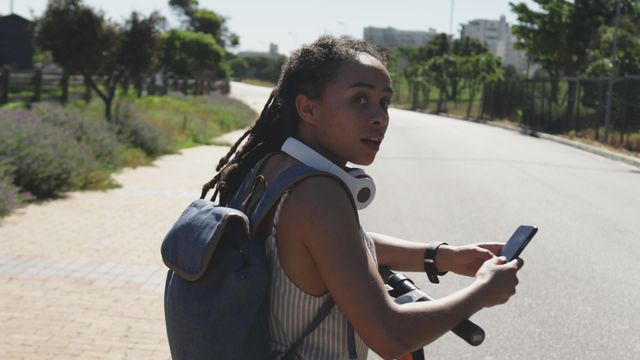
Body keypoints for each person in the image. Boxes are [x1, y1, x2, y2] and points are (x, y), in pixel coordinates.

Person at [201, 36, 522, 359]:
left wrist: (442, 257)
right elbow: (390, 336)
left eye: (384, 102)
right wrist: (483, 291)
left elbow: (342, 244)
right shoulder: (318, 196)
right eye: (359, 99)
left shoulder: (273, 166)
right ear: (308, 108)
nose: (379, 117)